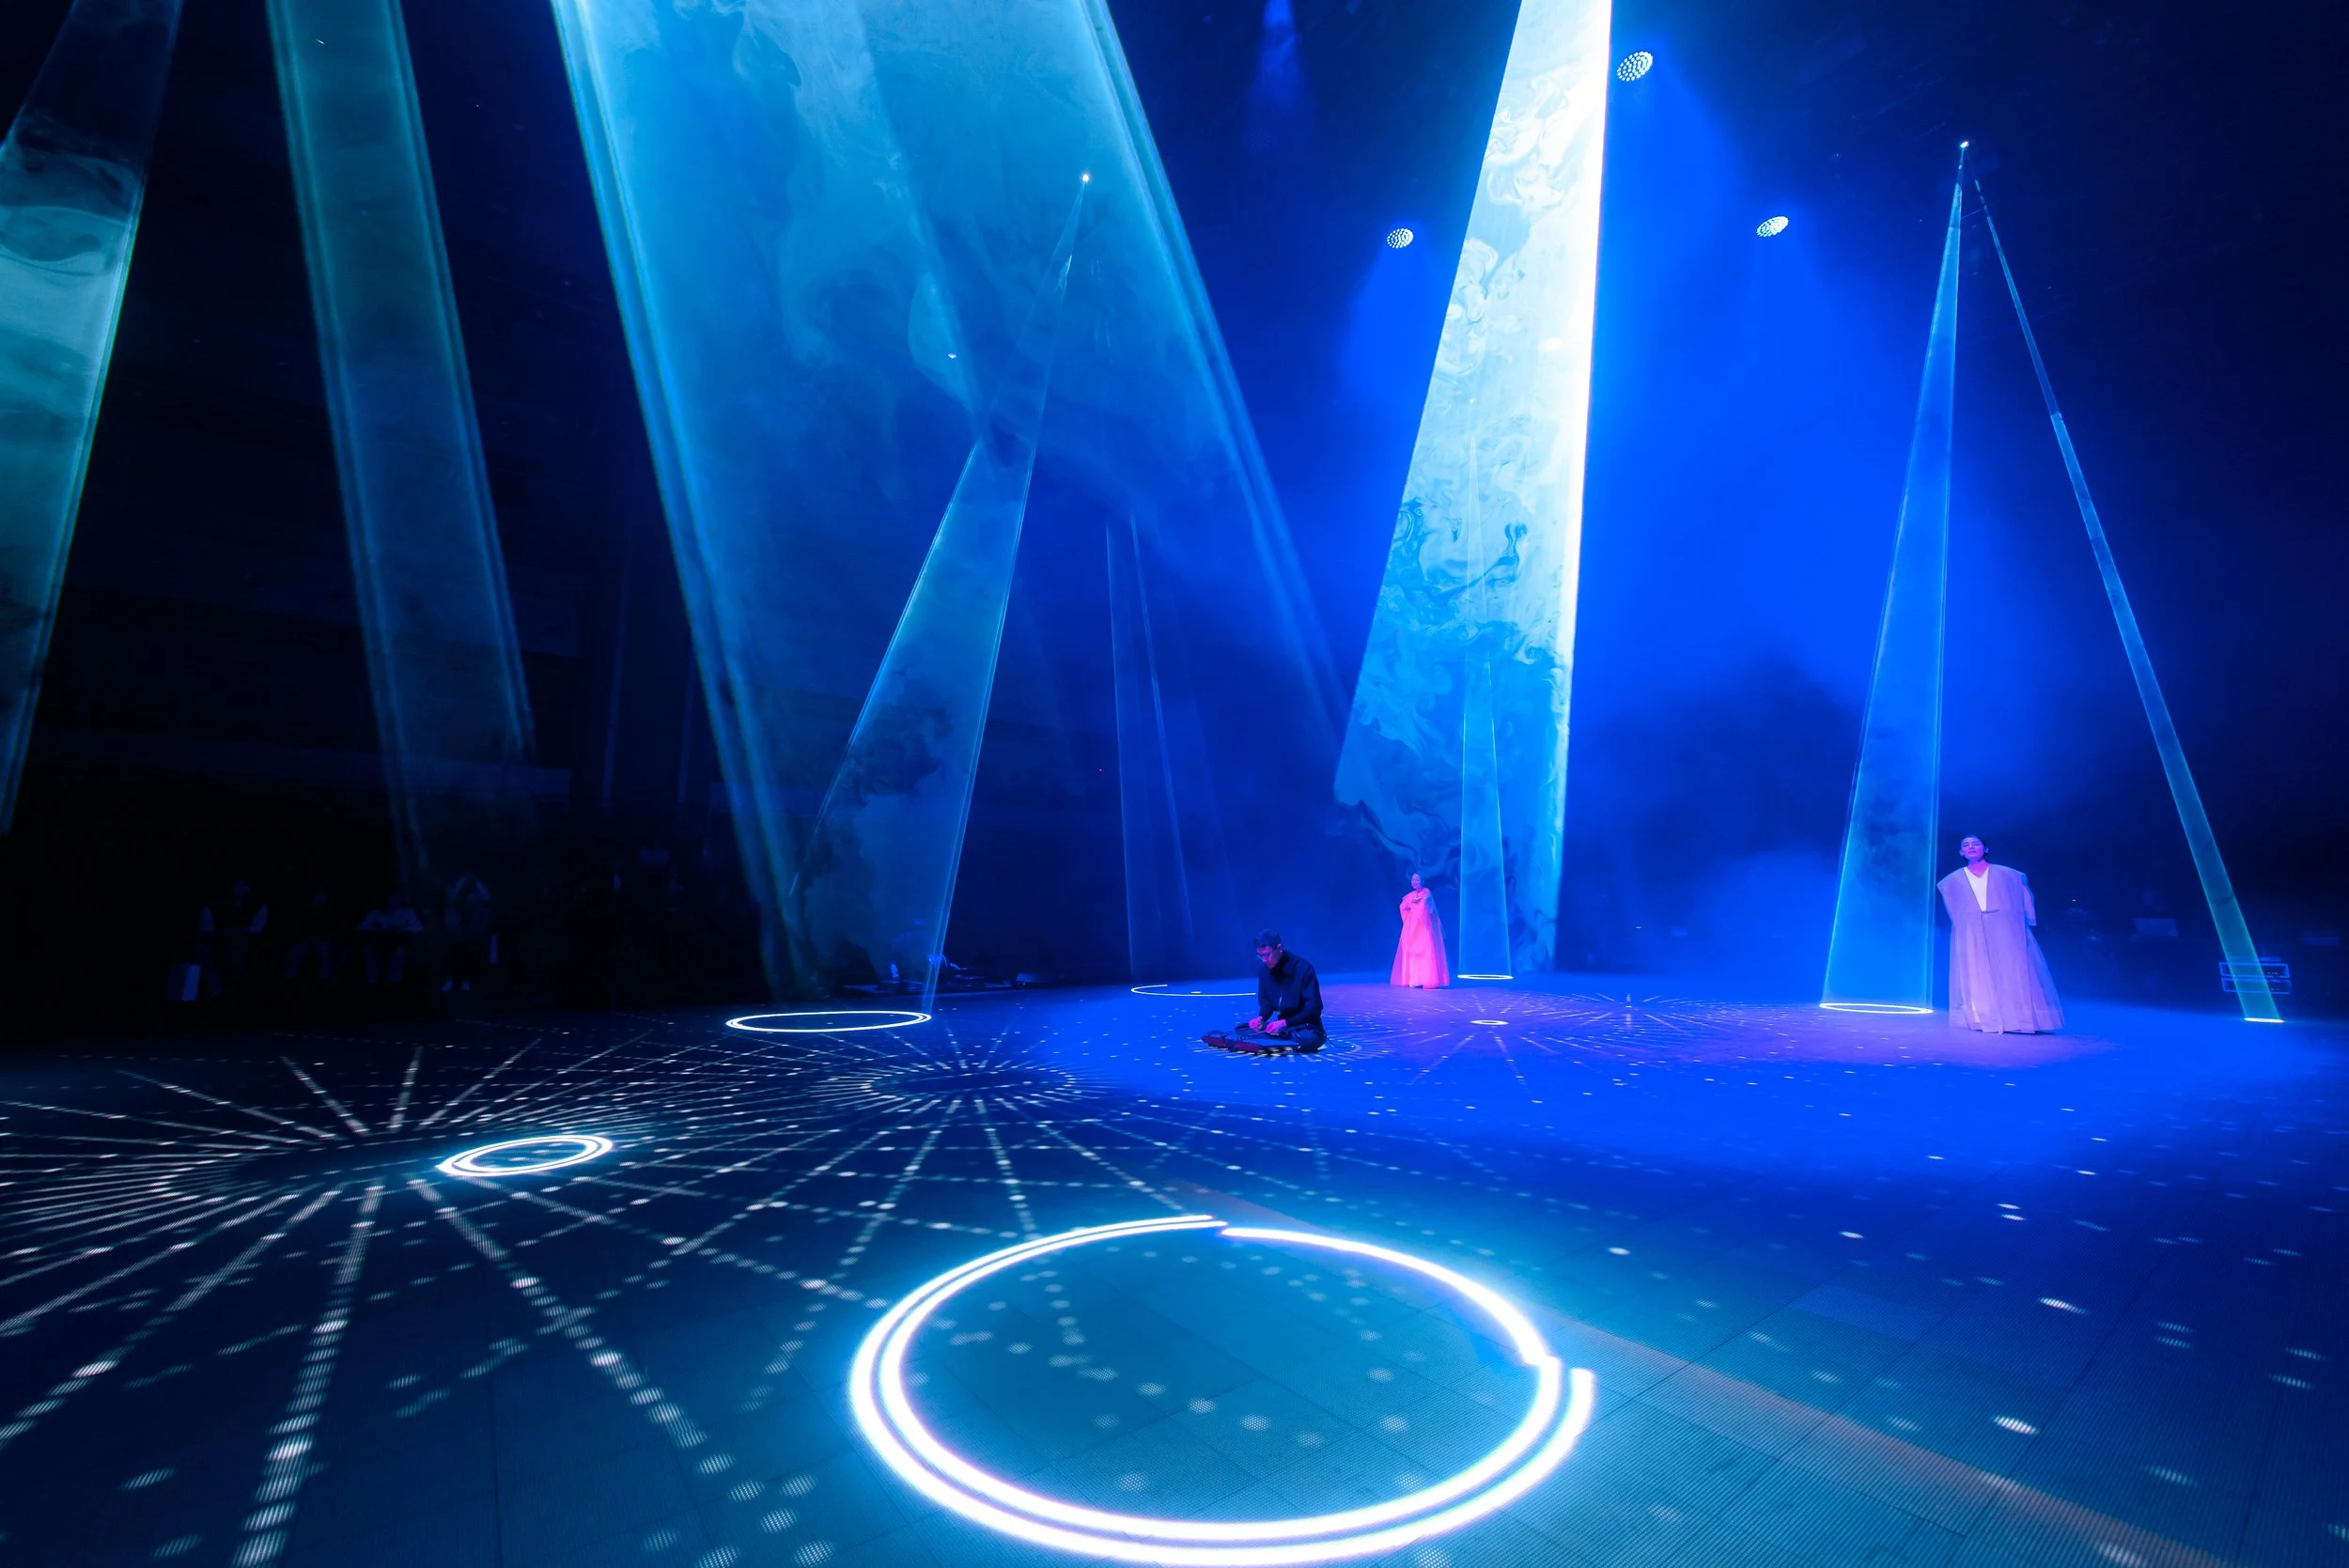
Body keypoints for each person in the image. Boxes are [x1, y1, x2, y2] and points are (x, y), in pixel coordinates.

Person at [1937, 835, 2062, 1033]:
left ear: (1985, 849)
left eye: (1976, 844)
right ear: (1961, 852)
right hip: (1972, 930)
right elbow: (1953, 908)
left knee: (2013, 969)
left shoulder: (2008, 875)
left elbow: (2024, 897)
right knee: (1976, 971)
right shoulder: (1952, 881)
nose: (1971, 847)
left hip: (2005, 928)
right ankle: (1984, 1017)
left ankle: (2020, 1018)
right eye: (1966, 845)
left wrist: (2027, 921)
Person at [1205, 931, 1326, 1053]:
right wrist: (1261, 1018)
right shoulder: (1264, 971)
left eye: (1267, 955)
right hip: (1282, 1026)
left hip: (1306, 1026)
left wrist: (1285, 1022)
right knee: (1241, 1028)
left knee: (1307, 1038)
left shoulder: (1302, 968)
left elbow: (1314, 1008)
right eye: (1260, 956)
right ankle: (1273, 1040)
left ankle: (1275, 1040)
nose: (1264, 960)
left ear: (1279, 948)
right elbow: (1267, 1001)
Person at [1390, 872, 1451, 988]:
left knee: (1426, 951)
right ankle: (1414, 979)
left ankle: (1426, 979)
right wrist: (1410, 905)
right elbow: (1403, 906)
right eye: (1413, 880)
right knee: (1412, 953)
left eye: (1417, 880)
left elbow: (1424, 907)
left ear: (1422, 881)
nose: (1415, 882)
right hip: (1412, 928)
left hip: (1423, 927)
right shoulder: (1410, 895)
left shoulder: (1426, 893)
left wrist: (1413, 905)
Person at [359, 891, 424, 987]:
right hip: (377, 944)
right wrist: (376, 929)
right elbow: (362, 926)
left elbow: (418, 927)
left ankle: (393, 984)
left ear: (399, 899)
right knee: (370, 951)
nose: (391, 901)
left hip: (397, 944)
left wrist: (402, 930)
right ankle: (372, 983)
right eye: (389, 898)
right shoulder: (375, 913)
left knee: (398, 953)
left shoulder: (408, 913)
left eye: (394, 898)